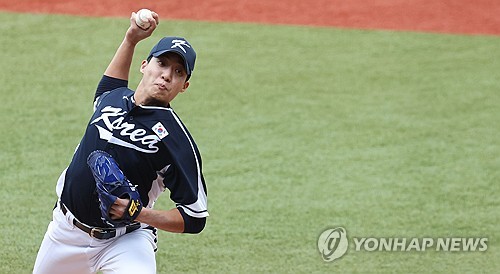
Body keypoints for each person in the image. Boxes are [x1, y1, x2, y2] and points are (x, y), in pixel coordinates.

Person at [33, 10, 208, 274]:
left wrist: (139, 213)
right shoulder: (112, 98)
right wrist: (131, 39)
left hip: (127, 240)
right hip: (65, 233)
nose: (166, 75)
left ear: (184, 85)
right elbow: (107, 86)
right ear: (144, 65)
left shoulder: (176, 141)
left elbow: (194, 217)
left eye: (178, 71)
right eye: (161, 63)